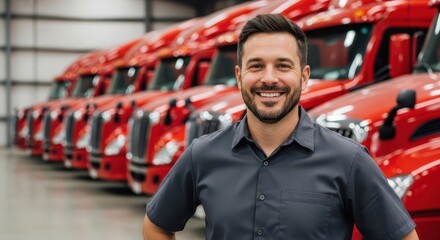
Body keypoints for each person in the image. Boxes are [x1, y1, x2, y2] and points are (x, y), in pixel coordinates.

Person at [143, 14, 418, 240]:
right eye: (256, 66)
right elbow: (156, 225)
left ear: (304, 76)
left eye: (283, 66)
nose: (269, 78)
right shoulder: (201, 155)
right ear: (239, 77)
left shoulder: (349, 161)